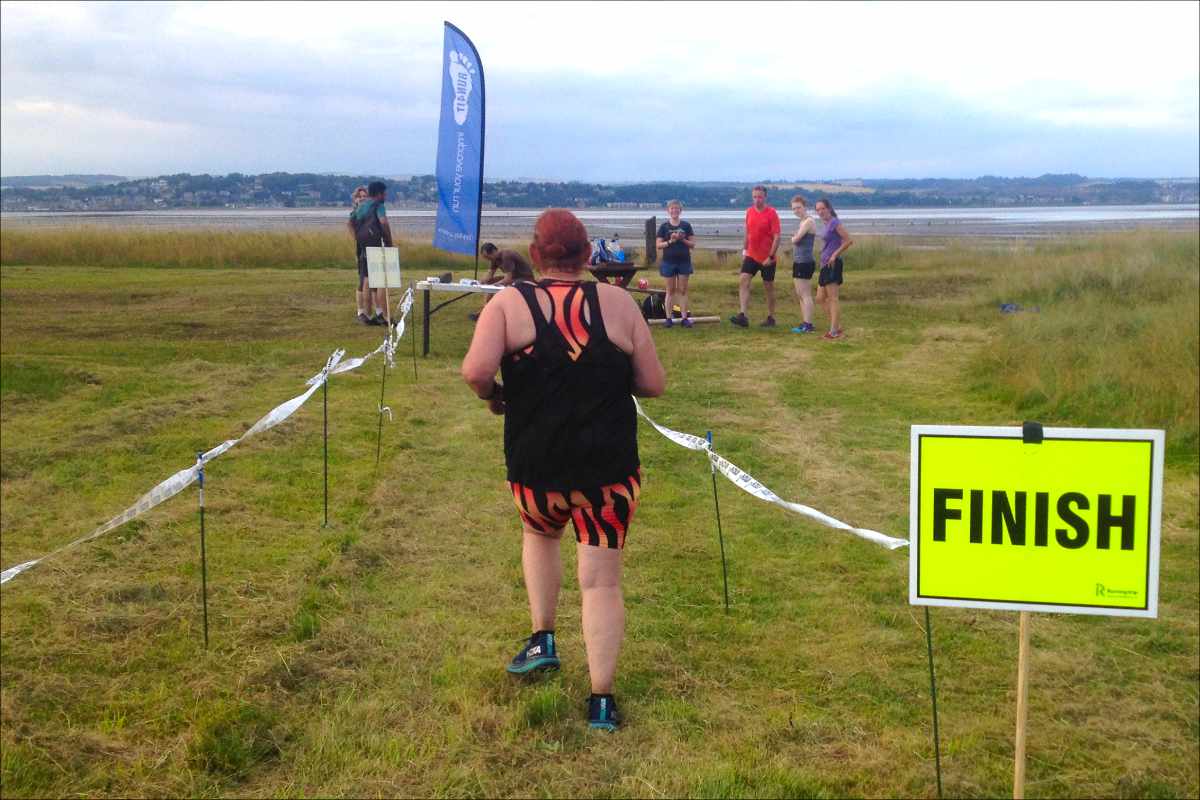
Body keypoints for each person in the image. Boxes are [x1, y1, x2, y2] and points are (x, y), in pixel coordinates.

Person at [461, 209, 666, 731]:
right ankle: (601, 700)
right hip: (609, 470)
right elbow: (653, 383)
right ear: (587, 257)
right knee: (601, 584)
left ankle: (542, 636)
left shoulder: (509, 303)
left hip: (537, 463)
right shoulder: (618, 303)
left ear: (534, 255)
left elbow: (476, 371)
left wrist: (496, 396)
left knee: (539, 534)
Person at [730, 185, 781, 328]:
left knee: (768, 287)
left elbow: (777, 237)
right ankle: (742, 315)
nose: (757, 199)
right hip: (751, 254)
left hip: (767, 257)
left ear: (765, 197)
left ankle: (771, 317)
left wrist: (770, 257)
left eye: (760, 197)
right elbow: (748, 232)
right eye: (754, 197)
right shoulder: (749, 211)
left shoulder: (771, 213)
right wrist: (744, 250)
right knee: (743, 280)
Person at [347, 180, 395, 325]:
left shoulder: (362, 206)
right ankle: (385, 316)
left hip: (363, 245)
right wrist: (389, 242)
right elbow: (383, 222)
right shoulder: (379, 206)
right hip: (376, 244)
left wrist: (357, 238)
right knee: (381, 281)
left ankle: (367, 314)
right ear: (379, 193)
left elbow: (349, 222)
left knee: (367, 280)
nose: (386, 195)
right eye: (385, 193)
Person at [814, 198, 853, 340]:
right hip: (824, 264)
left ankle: (834, 332)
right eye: (817, 210)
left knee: (833, 298)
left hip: (833, 264)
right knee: (819, 298)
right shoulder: (826, 224)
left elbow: (848, 240)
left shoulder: (835, 222)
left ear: (829, 208)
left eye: (822, 208)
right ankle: (837, 326)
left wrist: (835, 254)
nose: (820, 212)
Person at [655, 200, 696, 328]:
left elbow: (693, 244)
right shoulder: (664, 227)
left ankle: (684, 318)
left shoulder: (686, 225)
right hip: (669, 261)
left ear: (680, 211)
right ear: (668, 210)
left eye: (677, 209)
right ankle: (668, 318)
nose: (674, 211)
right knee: (670, 290)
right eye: (672, 208)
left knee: (683, 290)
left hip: (684, 261)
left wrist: (682, 239)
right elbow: (658, 245)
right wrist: (671, 241)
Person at [469, 243, 535, 321]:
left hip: (524, 279)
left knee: (491, 286)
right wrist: (479, 283)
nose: (488, 260)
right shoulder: (494, 259)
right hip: (514, 278)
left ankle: (484, 313)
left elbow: (508, 279)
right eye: (486, 258)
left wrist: (493, 285)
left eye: (488, 257)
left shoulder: (507, 256)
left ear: (494, 251)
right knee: (489, 283)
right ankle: (485, 311)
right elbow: (489, 276)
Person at [788, 196, 818, 333]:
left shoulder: (809, 221)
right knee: (800, 294)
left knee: (806, 294)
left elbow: (796, 239)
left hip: (805, 262)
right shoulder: (802, 222)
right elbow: (796, 238)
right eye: (794, 208)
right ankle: (805, 322)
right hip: (798, 261)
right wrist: (794, 237)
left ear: (804, 206)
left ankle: (809, 324)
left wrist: (793, 238)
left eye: (798, 207)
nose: (796, 210)